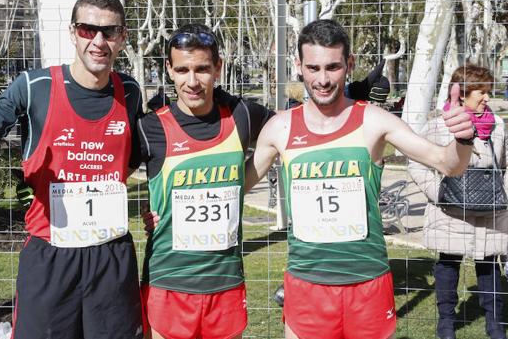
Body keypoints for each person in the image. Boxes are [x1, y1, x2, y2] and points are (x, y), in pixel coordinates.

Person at [138, 23, 394, 339]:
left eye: (202, 69)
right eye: (183, 70)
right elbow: (106, 174)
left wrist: (353, 93)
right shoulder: (148, 127)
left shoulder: (242, 114)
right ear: (169, 70)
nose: (192, 80)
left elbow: (301, 124)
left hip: (225, 285)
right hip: (169, 283)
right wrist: (144, 211)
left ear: (218, 67)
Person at [245, 19, 474, 339]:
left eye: (333, 67)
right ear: (299, 66)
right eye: (313, 68)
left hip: (367, 286)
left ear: (349, 64)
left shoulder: (373, 121)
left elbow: (447, 163)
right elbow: (235, 187)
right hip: (306, 286)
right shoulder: (280, 128)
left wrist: (463, 139)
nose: (322, 80)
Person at [0, 0, 143, 339]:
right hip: (51, 256)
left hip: (111, 256)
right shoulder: (34, 87)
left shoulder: (131, 91)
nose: (98, 41)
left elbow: (133, 159)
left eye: (109, 31)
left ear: (122, 37)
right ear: (72, 33)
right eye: (86, 29)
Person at [409, 64, 508, 339]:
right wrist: (437, 193)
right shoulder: (439, 126)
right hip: (450, 211)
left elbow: (506, 165)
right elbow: (416, 165)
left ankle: (495, 324)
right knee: (448, 265)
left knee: (489, 265)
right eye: (482, 92)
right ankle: (446, 324)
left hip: (490, 211)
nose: (487, 98)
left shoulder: (497, 126)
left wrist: (504, 193)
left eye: (488, 92)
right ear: (462, 94)